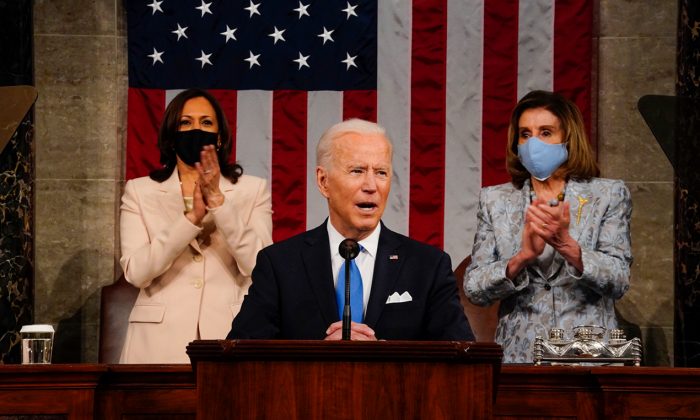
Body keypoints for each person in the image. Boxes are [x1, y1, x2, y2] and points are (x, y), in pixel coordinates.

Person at [228, 119, 473, 341]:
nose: (371, 185)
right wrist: (317, 357)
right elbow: (242, 355)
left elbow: (462, 360)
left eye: (381, 173)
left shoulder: (428, 267)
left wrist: (384, 359)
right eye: (357, 171)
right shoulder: (280, 265)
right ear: (323, 182)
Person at [464, 90, 632, 363]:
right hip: (519, 358)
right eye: (525, 134)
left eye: (545, 133)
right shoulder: (494, 200)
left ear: (568, 138)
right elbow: (475, 288)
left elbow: (619, 280)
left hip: (589, 357)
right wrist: (521, 259)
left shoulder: (608, 195)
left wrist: (569, 247)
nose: (534, 144)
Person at [119, 89, 273, 363]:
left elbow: (258, 266)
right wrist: (189, 220)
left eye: (205, 123)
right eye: (185, 123)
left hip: (229, 336)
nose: (195, 130)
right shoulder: (139, 192)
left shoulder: (253, 190)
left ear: (220, 135)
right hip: (157, 345)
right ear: (171, 134)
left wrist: (218, 202)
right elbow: (137, 273)